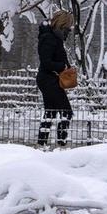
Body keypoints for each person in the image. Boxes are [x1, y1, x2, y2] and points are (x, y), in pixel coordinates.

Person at [36, 11, 76, 146]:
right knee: (66, 112)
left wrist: (68, 67)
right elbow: (46, 62)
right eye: (68, 27)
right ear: (62, 24)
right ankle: (61, 143)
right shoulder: (48, 38)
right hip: (48, 80)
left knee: (51, 113)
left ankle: (42, 143)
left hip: (50, 79)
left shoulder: (54, 38)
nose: (69, 30)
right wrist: (62, 66)